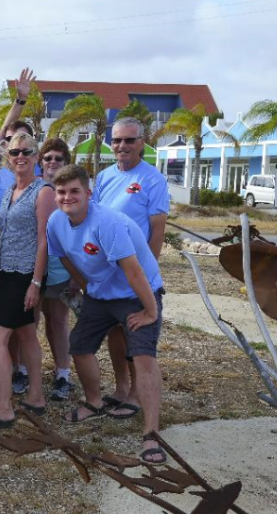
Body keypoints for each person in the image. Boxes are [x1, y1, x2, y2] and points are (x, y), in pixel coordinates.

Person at [48, 164, 166, 464]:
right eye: (61, 192)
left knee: (143, 354)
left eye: (75, 191)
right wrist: (88, 287)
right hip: (101, 293)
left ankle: (151, 434)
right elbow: (65, 256)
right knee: (80, 345)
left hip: (136, 292)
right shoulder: (55, 223)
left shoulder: (107, 222)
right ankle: (94, 401)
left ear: (88, 193)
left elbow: (135, 271)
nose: (67, 197)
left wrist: (151, 311)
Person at [0, 133, 55, 430]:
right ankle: (36, 396)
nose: (20, 156)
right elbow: (3, 238)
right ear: (8, 158)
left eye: (26, 151)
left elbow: (44, 240)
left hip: (26, 274)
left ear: (36, 156)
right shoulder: (9, 190)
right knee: (25, 334)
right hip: (8, 272)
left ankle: (4, 406)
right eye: (14, 152)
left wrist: (36, 283)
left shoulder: (43, 191)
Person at [92, 117, 169, 420]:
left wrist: (144, 276)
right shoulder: (103, 177)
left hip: (136, 273)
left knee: (136, 334)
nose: (122, 146)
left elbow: (157, 231)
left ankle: (138, 393)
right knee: (114, 333)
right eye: (117, 140)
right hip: (109, 272)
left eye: (129, 140)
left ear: (141, 143)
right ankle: (122, 387)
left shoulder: (153, 179)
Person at [38, 138, 76, 401]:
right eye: (48, 157)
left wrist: (76, 273)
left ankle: (63, 373)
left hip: (61, 269)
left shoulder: (70, 193)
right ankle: (23, 370)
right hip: (32, 267)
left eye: (58, 158)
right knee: (28, 323)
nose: (52, 162)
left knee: (58, 321)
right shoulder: (32, 187)